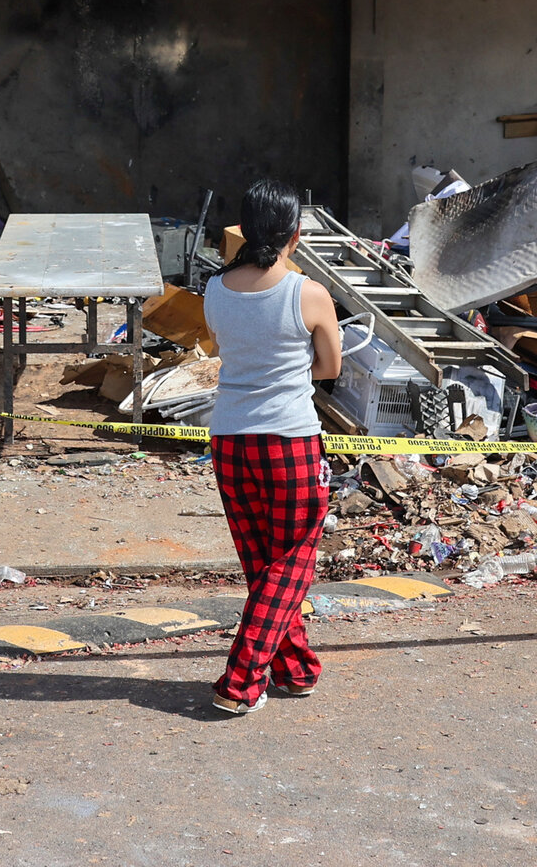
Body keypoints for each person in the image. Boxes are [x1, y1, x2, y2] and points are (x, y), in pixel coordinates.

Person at [202, 179, 342, 716]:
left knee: (263, 563)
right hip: (290, 442)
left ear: (245, 232)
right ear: (295, 235)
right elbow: (329, 368)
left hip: (230, 442)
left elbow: (220, 346)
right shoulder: (306, 292)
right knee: (291, 562)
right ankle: (240, 681)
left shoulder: (215, 288)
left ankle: (296, 668)